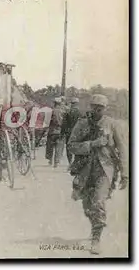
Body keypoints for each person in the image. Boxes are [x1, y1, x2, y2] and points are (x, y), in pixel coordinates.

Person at [67, 94, 128, 255]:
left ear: (105, 108)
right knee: (87, 205)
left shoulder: (112, 125)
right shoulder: (82, 124)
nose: (96, 110)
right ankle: (94, 224)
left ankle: (96, 238)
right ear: (90, 107)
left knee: (98, 202)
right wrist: (92, 144)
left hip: (105, 169)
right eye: (94, 106)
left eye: (100, 107)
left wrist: (125, 173)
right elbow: (71, 146)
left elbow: (122, 149)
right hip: (85, 170)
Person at [62, 97, 83, 167]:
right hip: (77, 133)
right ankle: (75, 163)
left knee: (69, 148)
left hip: (69, 132)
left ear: (72, 104)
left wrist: (62, 133)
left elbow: (64, 123)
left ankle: (70, 163)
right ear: (77, 104)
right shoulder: (80, 112)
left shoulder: (68, 112)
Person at [45, 97, 65, 167]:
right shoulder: (63, 112)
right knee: (58, 147)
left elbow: (46, 122)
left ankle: (50, 160)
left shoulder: (51, 111)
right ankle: (56, 162)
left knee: (50, 147)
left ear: (54, 103)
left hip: (52, 131)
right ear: (60, 104)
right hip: (60, 131)